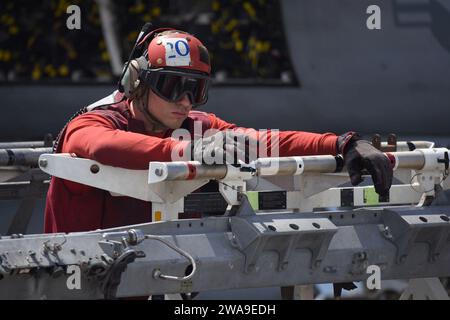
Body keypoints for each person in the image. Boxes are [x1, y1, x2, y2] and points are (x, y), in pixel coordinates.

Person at [44, 26, 393, 233]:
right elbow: (100, 146)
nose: (185, 101)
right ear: (138, 82)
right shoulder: (93, 122)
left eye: (194, 90)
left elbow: (262, 142)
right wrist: (186, 151)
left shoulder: (193, 126)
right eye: (171, 86)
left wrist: (342, 143)